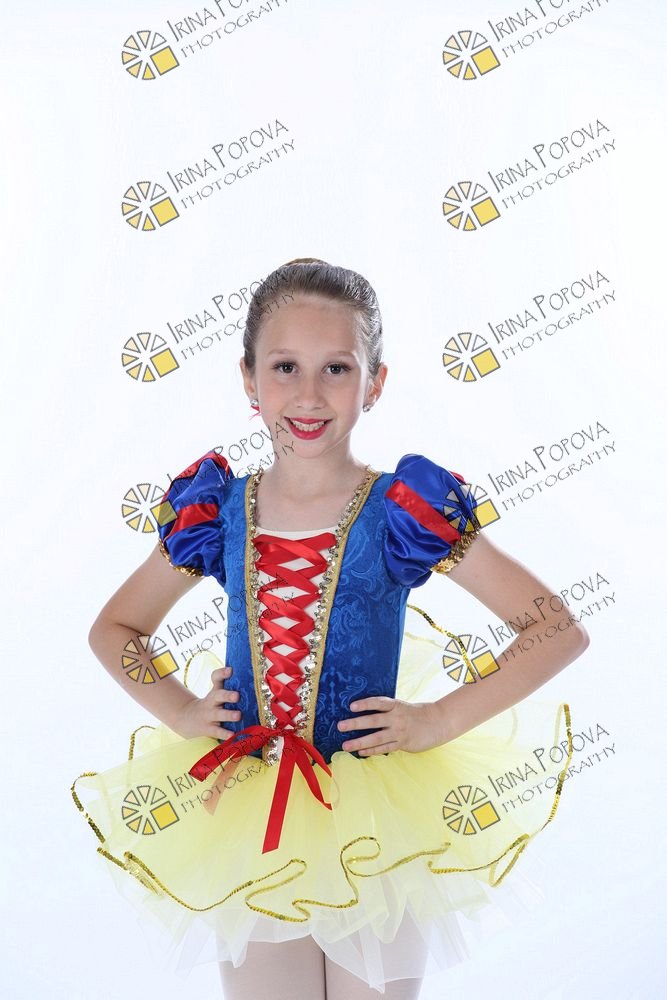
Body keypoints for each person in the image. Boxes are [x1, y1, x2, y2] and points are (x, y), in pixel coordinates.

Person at [72, 258, 589, 999]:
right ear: (248, 379)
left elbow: (554, 629)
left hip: (378, 815)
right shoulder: (218, 513)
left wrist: (439, 719)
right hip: (249, 810)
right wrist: (182, 711)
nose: (309, 394)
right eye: (285, 367)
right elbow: (117, 628)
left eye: (336, 369)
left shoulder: (403, 511)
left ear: (374, 383)